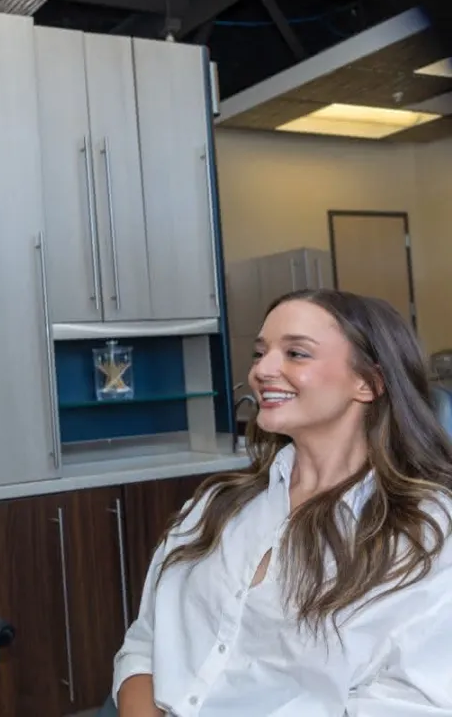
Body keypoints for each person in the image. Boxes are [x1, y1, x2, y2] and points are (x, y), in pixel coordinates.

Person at [111, 289, 452, 717]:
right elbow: (146, 643)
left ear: (368, 382)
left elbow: (411, 703)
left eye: (296, 353)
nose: (262, 370)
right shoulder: (216, 504)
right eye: (261, 352)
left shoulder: (427, 535)